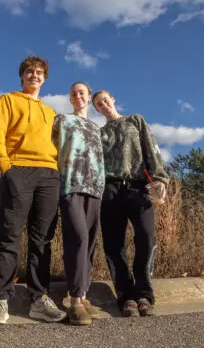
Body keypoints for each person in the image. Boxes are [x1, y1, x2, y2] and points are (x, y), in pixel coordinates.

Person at [0, 55, 67, 326]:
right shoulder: (8, 100)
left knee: (42, 240)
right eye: (30, 72)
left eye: (40, 72)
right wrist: (7, 168)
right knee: (9, 234)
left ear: (45, 78)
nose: (34, 76)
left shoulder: (51, 112)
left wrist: (57, 170)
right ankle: (0, 299)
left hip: (49, 175)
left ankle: (39, 299)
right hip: (18, 170)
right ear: (22, 76)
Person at [92, 89, 169, 317]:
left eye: (105, 100)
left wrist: (159, 179)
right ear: (96, 109)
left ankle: (144, 293)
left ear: (113, 99)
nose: (103, 105)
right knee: (114, 245)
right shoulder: (99, 133)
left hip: (137, 186)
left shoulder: (136, 120)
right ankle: (126, 296)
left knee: (146, 236)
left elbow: (151, 149)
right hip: (110, 189)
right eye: (98, 104)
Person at [51, 81, 105, 326]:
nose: (78, 96)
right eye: (73, 93)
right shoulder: (62, 120)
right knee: (78, 238)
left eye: (82, 92)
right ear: (70, 98)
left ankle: (84, 295)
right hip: (71, 184)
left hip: (95, 189)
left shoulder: (96, 128)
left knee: (90, 242)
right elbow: (50, 149)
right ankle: (74, 301)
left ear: (89, 96)